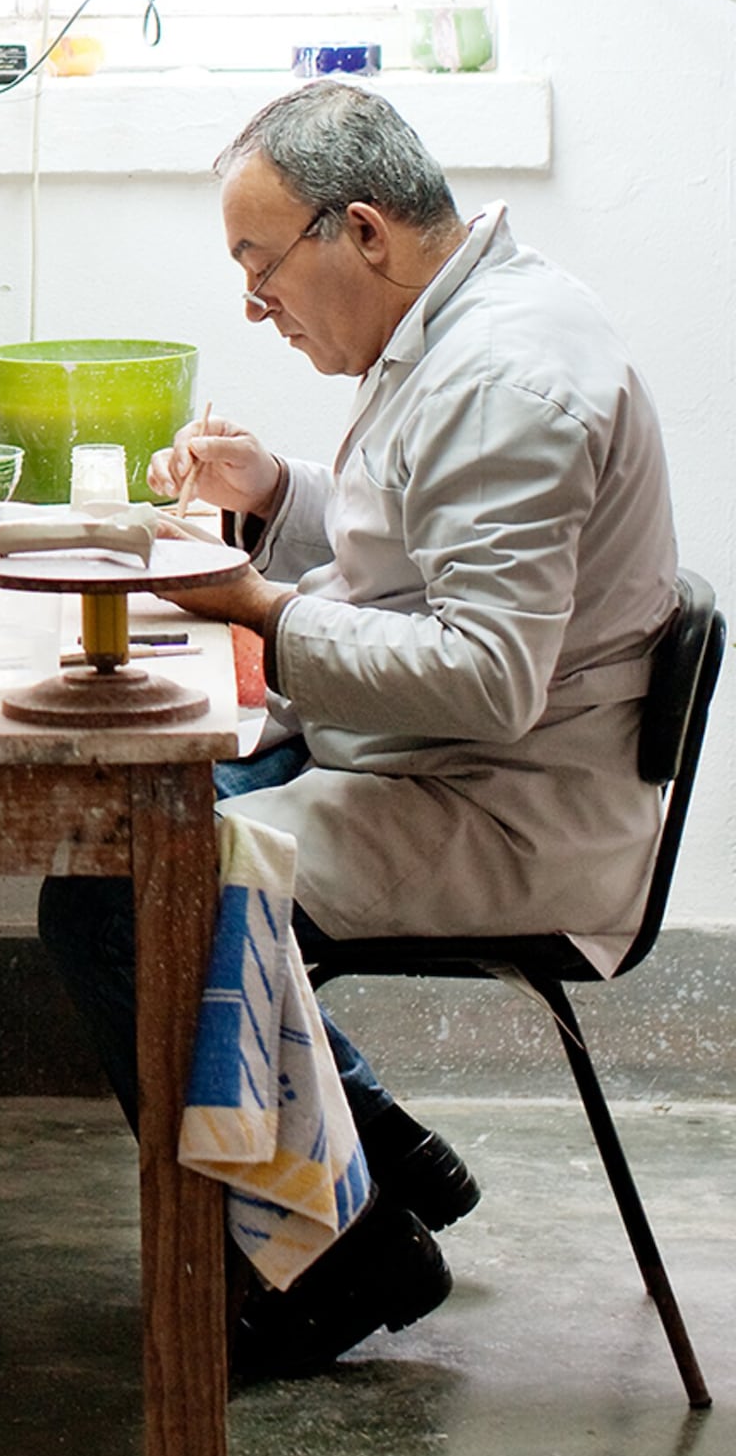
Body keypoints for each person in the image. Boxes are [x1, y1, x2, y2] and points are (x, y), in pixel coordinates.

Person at [40, 80, 678, 1377]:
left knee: (129, 889)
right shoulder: (471, 319)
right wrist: (274, 490)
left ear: (366, 233)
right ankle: (373, 1145)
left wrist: (261, 612)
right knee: (121, 840)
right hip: (432, 761)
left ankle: (347, 1259)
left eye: (260, 263)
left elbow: (488, 671)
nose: (253, 304)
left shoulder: (508, 376)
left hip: (504, 806)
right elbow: (421, 537)